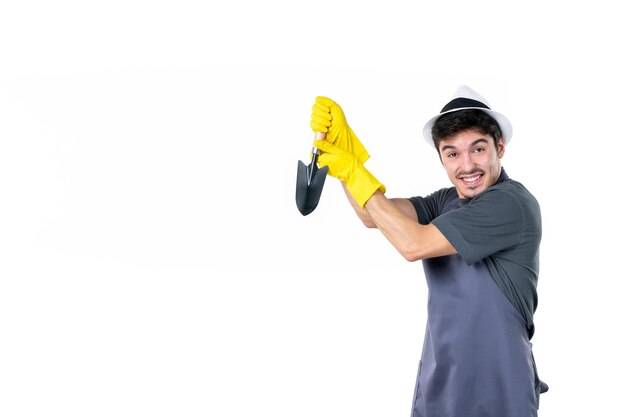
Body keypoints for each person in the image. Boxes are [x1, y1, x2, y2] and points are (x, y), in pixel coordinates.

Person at [309, 85, 548, 417]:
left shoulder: (511, 203)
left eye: (478, 149)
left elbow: (413, 244)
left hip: (499, 383)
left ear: (500, 147)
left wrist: (353, 171)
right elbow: (372, 215)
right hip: (443, 379)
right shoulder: (446, 202)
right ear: (441, 158)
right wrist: (350, 154)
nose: (467, 166)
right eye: (452, 153)